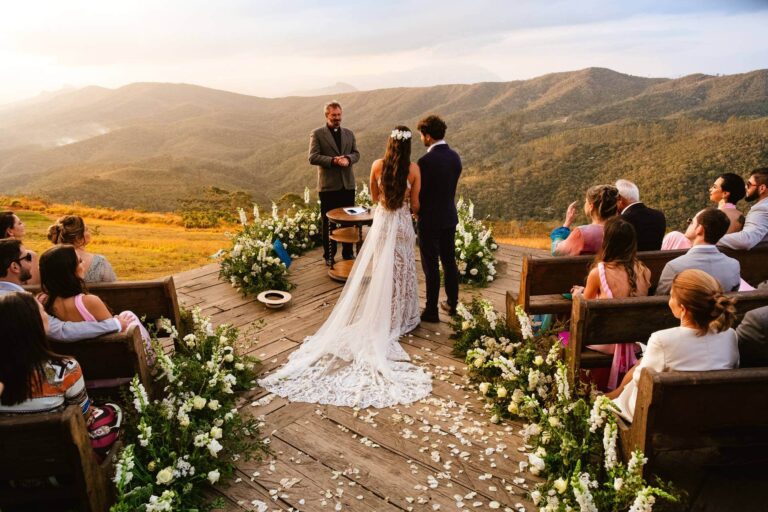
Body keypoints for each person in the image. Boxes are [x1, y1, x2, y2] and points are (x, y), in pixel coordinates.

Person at [259, 126, 431, 408]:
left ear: (389, 144)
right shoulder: (413, 170)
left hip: (383, 224)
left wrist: (388, 204)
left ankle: (381, 313)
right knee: (402, 271)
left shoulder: (377, 165)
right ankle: (401, 316)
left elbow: (375, 199)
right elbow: (415, 205)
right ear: (409, 146)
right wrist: (409, 209)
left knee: (382, 271)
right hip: (401, 225)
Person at [0, 292, 122, 460]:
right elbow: (82, 415)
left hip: (10, 469)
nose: (47, 316)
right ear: (34, 324)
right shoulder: (65, 369)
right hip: (62, 469)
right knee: (111, 412)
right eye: (43, 312)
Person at [609, 269, 739, 422]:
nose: (669, 300)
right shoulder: (730, 335)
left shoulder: (661, 340)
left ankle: (609, 400)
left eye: (671, 296)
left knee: (640, 372)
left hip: (666, 418)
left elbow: (640, 382)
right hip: (711, 413)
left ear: (683, 309)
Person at [571, 217, 651, 390]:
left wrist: (578, 293)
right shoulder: (645, 271)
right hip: (632, 340)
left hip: (606, 341)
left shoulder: (598, 272)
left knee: (563, 336)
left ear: (607, 243)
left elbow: (586, 306)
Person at [38, 245, 154, 364]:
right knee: (128, 315)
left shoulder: (42, 304)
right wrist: (117, 321)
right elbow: (117, 336)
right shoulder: (88, 301)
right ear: (70, 270)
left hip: (78, 368)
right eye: (79, 261)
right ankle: (151, 363)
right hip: (113, 368)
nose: (83, 264)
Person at [0, 239, 126, 340]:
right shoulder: (22, 302)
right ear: (15, 267)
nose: (31, 260)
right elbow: (61, 331)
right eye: (27, 257)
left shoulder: (38, 300)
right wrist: (115, 324)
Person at [415, 115, 462, 322]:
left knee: (431, 265)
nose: (421, 139)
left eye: (421, 135)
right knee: (449, 261)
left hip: (429, 219)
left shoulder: (425, 162)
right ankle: (452, 303)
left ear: (427, 136)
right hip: (449, 216)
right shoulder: (455, 157)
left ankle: (431, 310)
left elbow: (420, 193)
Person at [308, 101, 361, 266]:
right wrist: (333, 161)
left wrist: (348, 159)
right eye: (333, 115)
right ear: (327, 115)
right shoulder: (317, 134)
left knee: (348, 221)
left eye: (339, 115)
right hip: (328, 187)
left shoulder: (349, 133)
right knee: (327, 222)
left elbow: (356, 154)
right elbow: (313, 157)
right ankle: (329, 256)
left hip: (348, 185)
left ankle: (347, 253)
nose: (337, 118)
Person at [655, 208, 740, 295]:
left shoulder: (674, 267)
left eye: (691, 222)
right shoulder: (733, 265)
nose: (689, 224)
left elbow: (660, 300)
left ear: (700, 229)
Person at [661, 173, 746, 250]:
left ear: (725, 194)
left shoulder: (710, 215)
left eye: (714, 187)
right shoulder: (740, 217)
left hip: (699, 254)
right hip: (723, 256)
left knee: (675, 236)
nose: (710, 189)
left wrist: (693, 224)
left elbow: (689, 235)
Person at [551, 184, 619, 256]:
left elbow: (556, 251)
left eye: (586, 201)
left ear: (591, 206)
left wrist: (565, 225)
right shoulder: (623, 231)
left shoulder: (582, 233)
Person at [48, 215, 116, 283]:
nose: (89, 232)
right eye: (86, 230)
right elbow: (114, 288)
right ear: (77, 237)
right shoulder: (100, 262)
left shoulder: (48, 260)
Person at [718, 168, 768, 250]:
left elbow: (746, 240)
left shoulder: (761, 209)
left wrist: (709, 239)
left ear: (762, 188)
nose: (745, 187)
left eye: (749, 185)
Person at [615, 179, 666, 251]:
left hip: (630, 262)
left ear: (620, 199)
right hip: (655, 261)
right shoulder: (659, 216)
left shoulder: (620, 221)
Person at [1, 210, 40, 285]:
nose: (23, 225)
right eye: (19, 223)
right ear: (10, 231)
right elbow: (34, 287)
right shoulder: (29, 255)